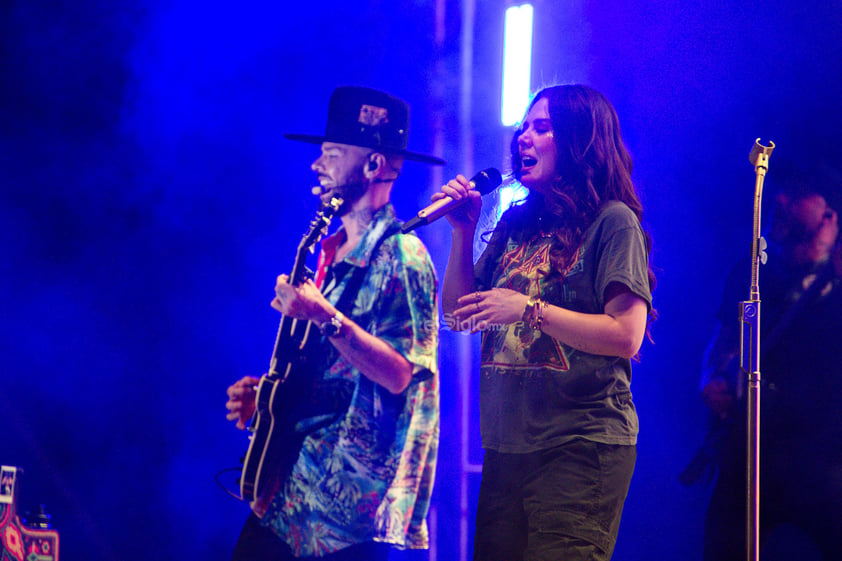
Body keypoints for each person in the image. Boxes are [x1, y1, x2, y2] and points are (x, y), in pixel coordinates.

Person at [436, 84, 655, 561]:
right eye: (523, 128)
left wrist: (529, 311)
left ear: (580, 139)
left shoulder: (613, 222)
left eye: (542, 127)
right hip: (507, 447)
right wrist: (463, 230)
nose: (524, 139)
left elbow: (626, 334)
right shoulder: (517, 223)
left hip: (580, 446)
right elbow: (456, 314)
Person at [225, 86, 443, 561]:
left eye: (331, 154)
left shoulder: (404, 256)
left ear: (373, 165)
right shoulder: (330, 250)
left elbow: (400, 373)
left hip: (348, 516)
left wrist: (323, 314)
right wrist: (269, 397)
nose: (316, 165)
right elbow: (338, 373)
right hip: (294, 487)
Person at [698, 161, 842, 561]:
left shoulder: (836, 281)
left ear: (829, 213)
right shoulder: (751, 272)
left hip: (824, 454)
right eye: (782, 190)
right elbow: (725, 342)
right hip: (752, 447)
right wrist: (710, 378)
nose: (779, 199)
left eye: (797, 194)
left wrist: (823, 264)